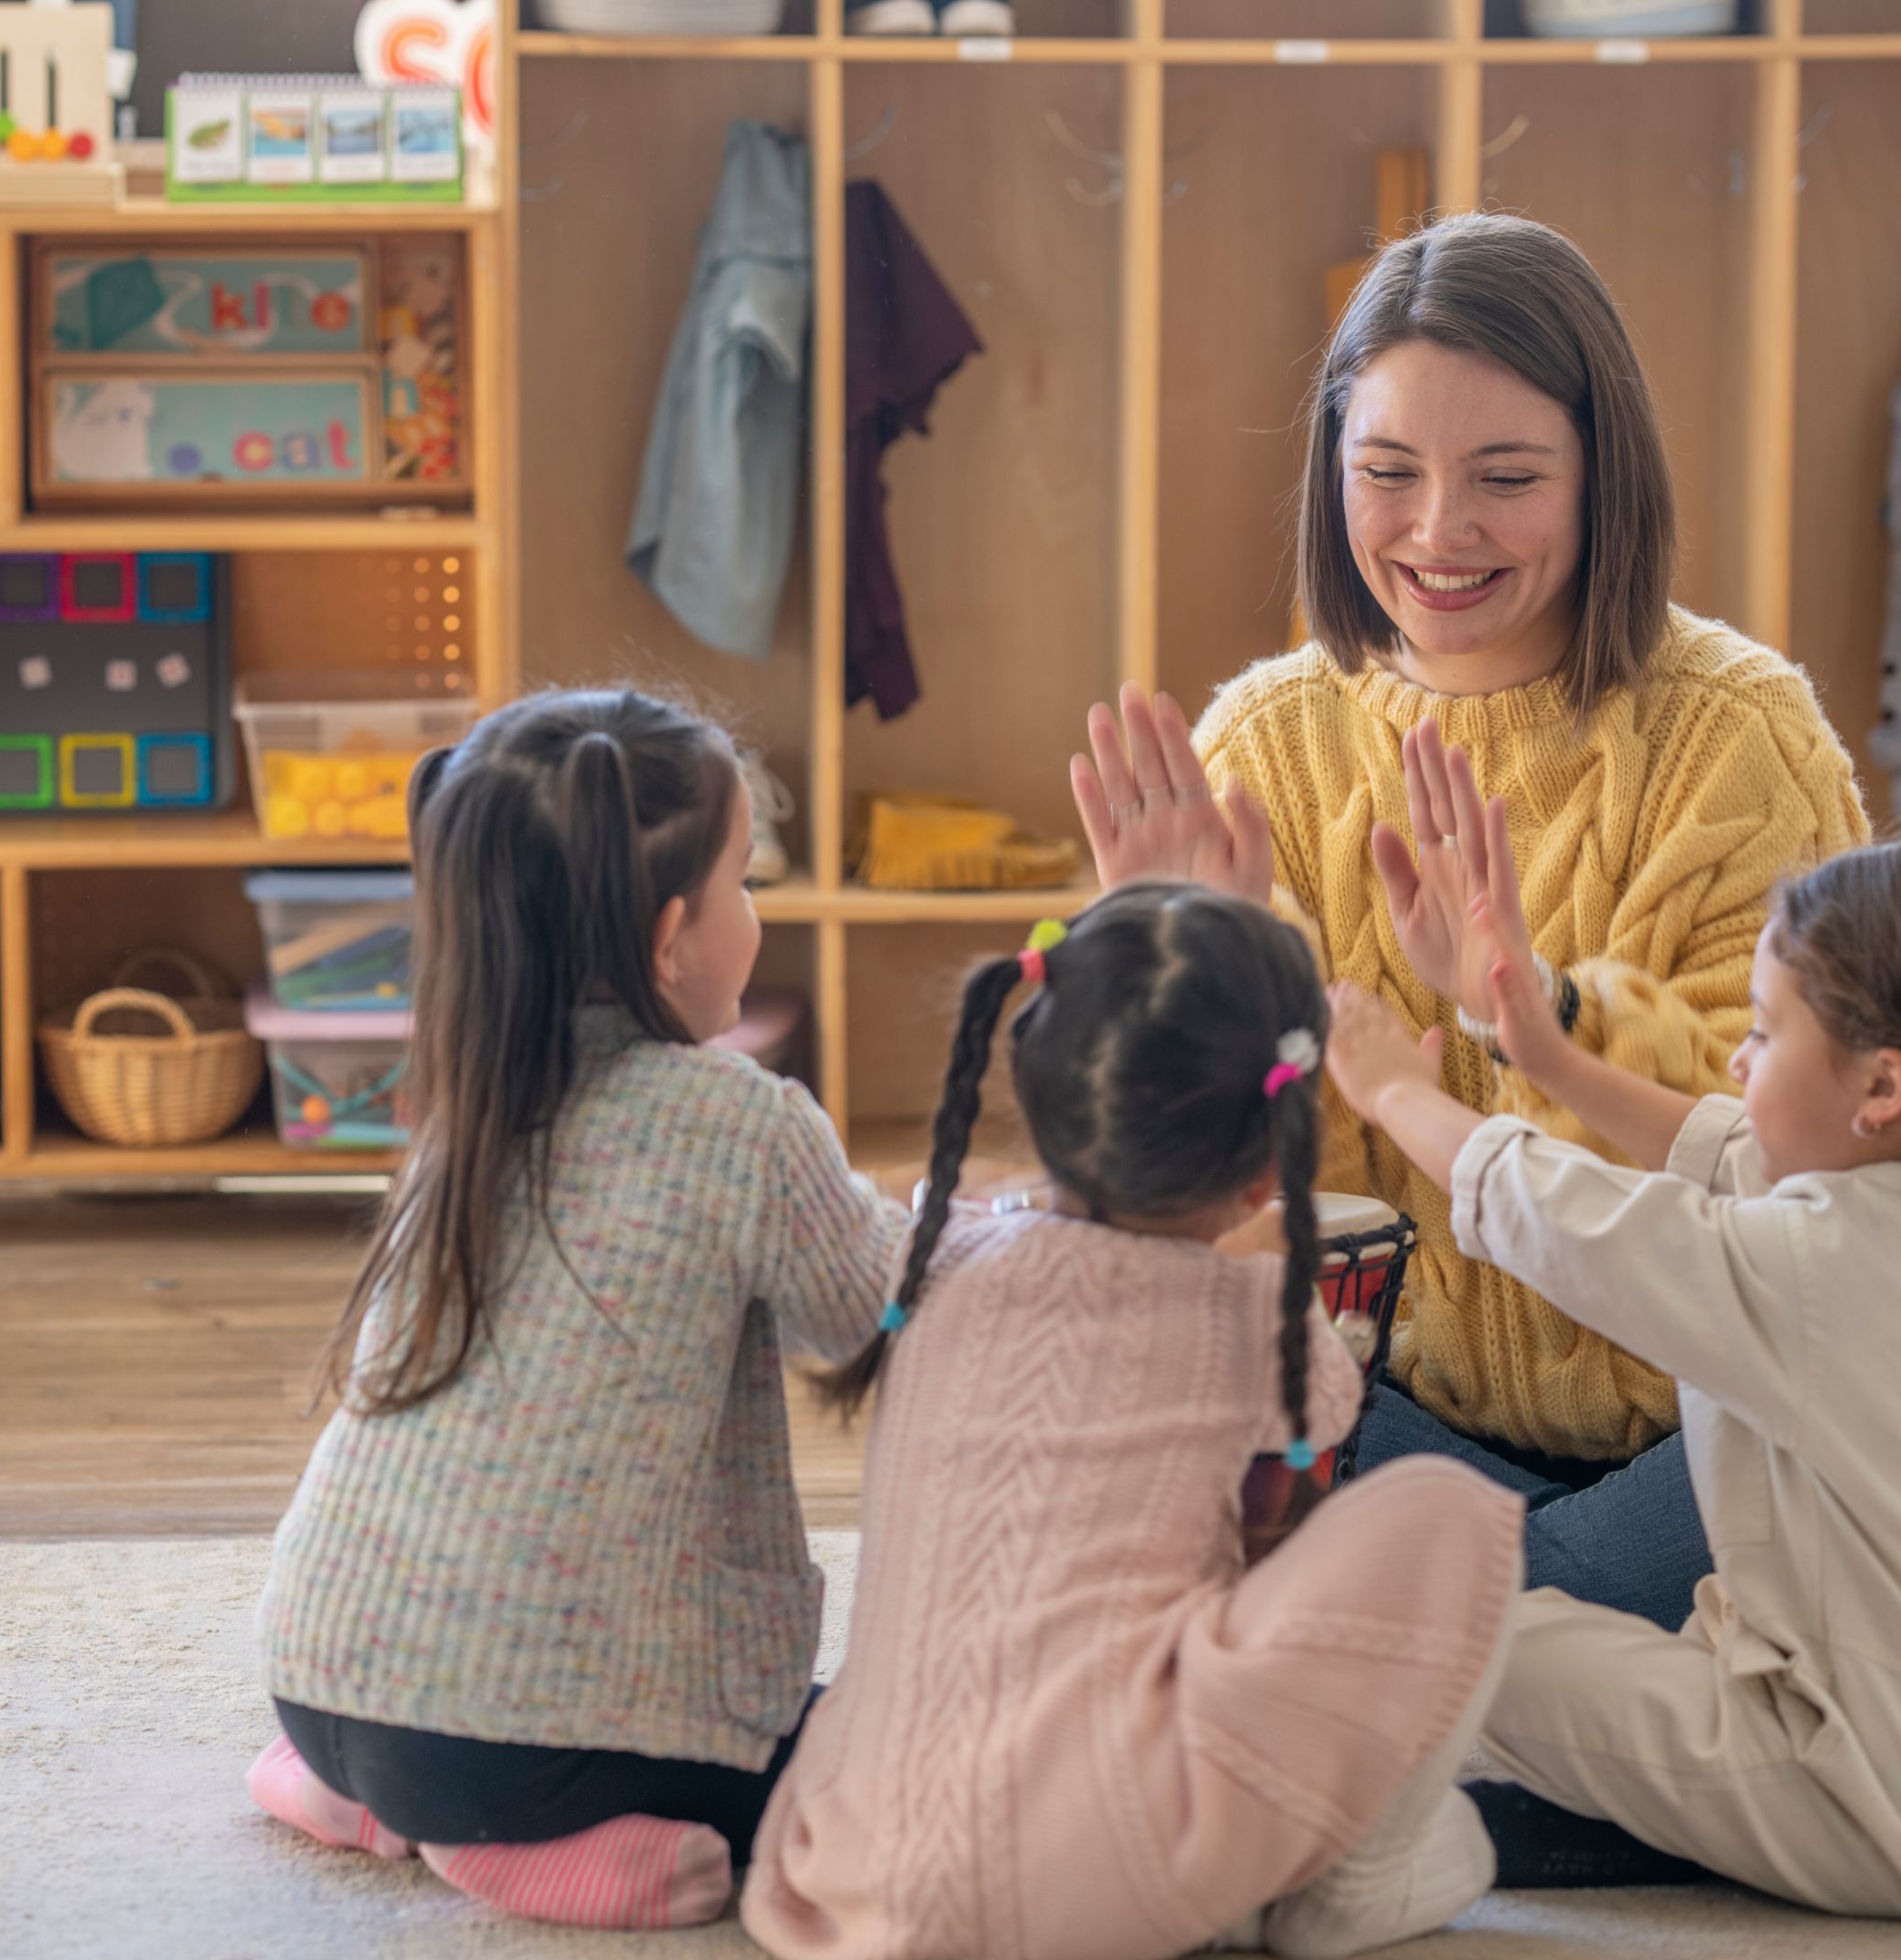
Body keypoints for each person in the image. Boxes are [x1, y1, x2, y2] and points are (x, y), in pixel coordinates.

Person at [1072, 211, 1869, 1631]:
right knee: (1130, 1410)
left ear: (1600, 476)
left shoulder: (1739, 736)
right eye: (1387, 473)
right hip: (1393, 1421)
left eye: (1506, 477)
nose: (1439, 534)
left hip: (1699, 1433)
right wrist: (1181, 997)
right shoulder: (1269, 737)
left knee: (1836, 1466)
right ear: (1333, 475)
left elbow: (1795, 1169)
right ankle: (1498, 1684)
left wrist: (1533, 1013)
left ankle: (1430, 1678)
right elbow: (1215, 1231)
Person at [1319, 831, 1901, 1914]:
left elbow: (1551, 1213)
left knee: (1429, 1629)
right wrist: (1549, 1059)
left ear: (1883, 1085)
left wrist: (1389, 1095)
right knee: (1567, 1637)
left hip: (1892, 1804)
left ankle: (1439, 1842)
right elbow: (1728, 1145)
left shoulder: (1805, 1268)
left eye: (1761, 1032)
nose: (1739, 1061)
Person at [745, 885, 1524, 1960]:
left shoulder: (929, 1258)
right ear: (1268, 1167)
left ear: (1035, 1078)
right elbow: (1286, 1521)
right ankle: (1349, 1885)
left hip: (846, 1863)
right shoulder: (1257, 1318)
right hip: (1088, 1871)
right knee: (1451, 1515)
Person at [246, 689, 906, 1930]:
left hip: (317, 1681)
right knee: (870, 1750)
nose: (754, 915)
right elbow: (876, 1306)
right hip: (520, 1752)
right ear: (670, 938)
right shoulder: (735, 1122)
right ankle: (507, 1849)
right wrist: (991, 1230)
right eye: (742, 885)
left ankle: (369, 1798)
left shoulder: (470, 1107)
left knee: (442, 1721)